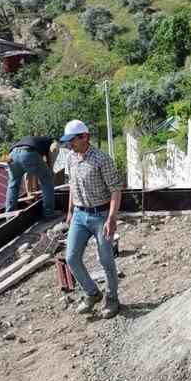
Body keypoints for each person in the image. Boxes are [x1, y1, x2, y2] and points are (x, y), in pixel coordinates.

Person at [59, 119, 124, 318]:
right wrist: (70, 212)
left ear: (84, 137)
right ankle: (92, 293)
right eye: (68, 141)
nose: (69, 144)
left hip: (101, 215)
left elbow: (115, 190)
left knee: (106, 260)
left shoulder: (101, 159)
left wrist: (111, 218)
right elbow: (71, 185)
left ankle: (112, 298)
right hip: (79, 215)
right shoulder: (71, 157)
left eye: (73, 140)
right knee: (71, 257)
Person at [4, 134, 59, 217]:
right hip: (28, 153)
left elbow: (28, 170)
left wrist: (29, 190)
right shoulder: (52, 142)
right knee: (47, 179)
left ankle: (9, 215)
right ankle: (49, 212)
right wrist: (50, 171)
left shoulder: (33, 140)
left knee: (13, 185)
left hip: (11, 155)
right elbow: (50, 156)